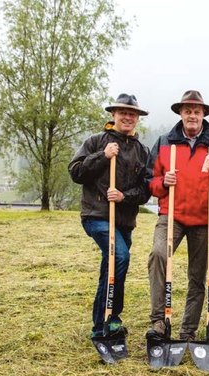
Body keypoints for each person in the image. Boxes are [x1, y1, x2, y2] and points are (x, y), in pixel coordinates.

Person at [146, 90, 209, 341]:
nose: (192, 115)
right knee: (158, 255)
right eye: (187, 111)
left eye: (197, 111)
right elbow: (148, 181)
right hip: (172, 215)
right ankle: (159, 321)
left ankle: (187, 332)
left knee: (197, 276)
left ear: (203, 114)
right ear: (180, 113)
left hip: (203, 219)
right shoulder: (164, 142)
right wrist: (163, 182)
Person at [68, 93, 150, 339]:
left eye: (132, 114)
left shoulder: (141, 151)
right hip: (97, 215)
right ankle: (103, 323)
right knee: (119, 257)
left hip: (124, 221)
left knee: (114, 266)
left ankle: (108, 320)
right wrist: (102, 156)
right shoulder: (96, 142)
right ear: (113, 115)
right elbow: (76, 172)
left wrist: (124, 196)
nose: (127, 117)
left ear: (137, 119)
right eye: (123, 112)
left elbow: (145, 190)